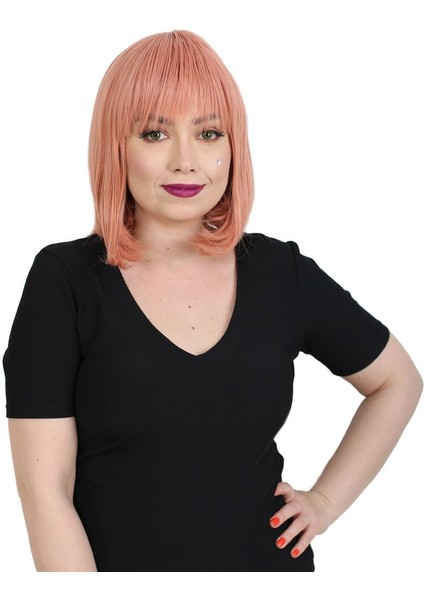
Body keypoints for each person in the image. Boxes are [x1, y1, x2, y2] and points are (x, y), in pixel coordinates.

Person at [3, 30, 422, 573]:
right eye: (155, 133)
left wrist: (324, 502)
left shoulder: (281, 273)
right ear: (116, 146)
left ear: (232, 146)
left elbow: (397, 381)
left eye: (208, 133)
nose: (186, 160)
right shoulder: (63, 281)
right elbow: (46, 495)